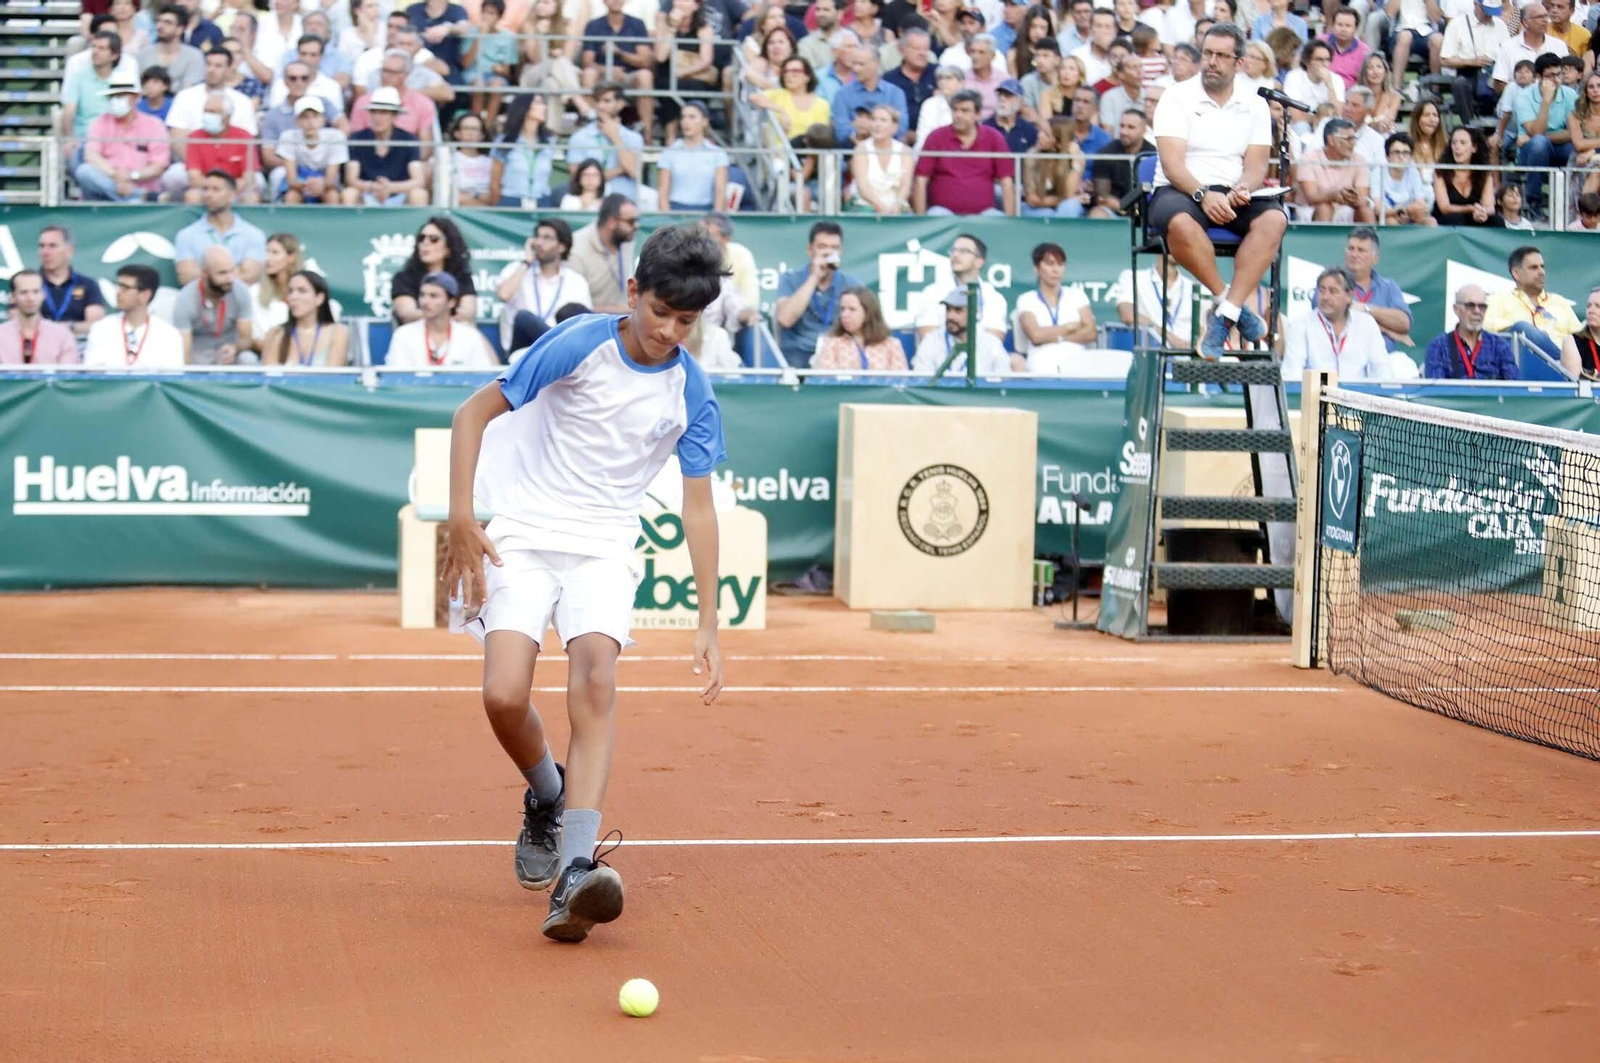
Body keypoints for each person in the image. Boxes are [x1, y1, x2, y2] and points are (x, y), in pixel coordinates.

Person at [438, 224, 728, 942]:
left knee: (596, 676)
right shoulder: (577, 343)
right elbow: (472, 413)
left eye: (686, 320)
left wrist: (709, 620)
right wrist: (461, 517)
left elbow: (698, 507)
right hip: (525, 530)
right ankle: (548, 792)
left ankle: (576, 868)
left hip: (604, 543)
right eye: (659, 312)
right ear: (632, 292)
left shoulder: (691, 388)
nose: (668, 332)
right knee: (504, 695)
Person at [1150, 23, 1287, 360]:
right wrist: (1203, 195)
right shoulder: (1176, 96)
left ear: (1239, 63)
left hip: (1232, 190)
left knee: (1275, 220)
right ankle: (1229, 305)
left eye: (1222, 56)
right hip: (1180, 188)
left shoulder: (1255, 102)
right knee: (1179, 223)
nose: (1212, 61)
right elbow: (1172, 165)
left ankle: (1225, 315)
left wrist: (1244, 187)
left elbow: (1256, 166)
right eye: (1208, 53)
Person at [774, 221, 863, 367]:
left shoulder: (852, 284)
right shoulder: (790, 279)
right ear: (810, 250)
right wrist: (814, 277)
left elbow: (864, 326)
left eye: (834, 248)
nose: (828, 253)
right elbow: (785, 319)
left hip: (838, 349)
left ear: (840, 251)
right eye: (822, 247)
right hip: (800, 349)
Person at [497, 218, 595, 349]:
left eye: (546, 238)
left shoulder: (576, 281)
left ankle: (552, 344)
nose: (539, 242)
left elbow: (583, 323)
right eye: (537, 237)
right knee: (524, 318)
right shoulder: (517, 269)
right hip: (522, 352)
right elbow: (504, 295)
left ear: (562, 246)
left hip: (557, 354)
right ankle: (552, 342)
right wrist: (527, 262)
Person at [914, 89, 1015, 214]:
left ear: (977, 114)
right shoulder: (936, 137)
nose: (958, 115)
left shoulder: (994, 138)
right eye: (955, 110)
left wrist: (1010, 221)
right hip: (942, 214)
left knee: (997, 219)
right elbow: (920, 180)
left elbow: (1006, 182)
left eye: (965, 111)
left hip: (985, 214)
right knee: (935, 214)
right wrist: (921, 219)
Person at [73, 75, 171, 203]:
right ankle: (140, 195)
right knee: (84, 171)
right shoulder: (100, 122)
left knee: (135, 203)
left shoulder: (154, 125)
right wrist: (115, 175)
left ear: (135, 97)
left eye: (120, 96)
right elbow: (91, 155)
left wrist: (131, 176)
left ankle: (133, 196)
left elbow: (159, 165)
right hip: (106, 183)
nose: (115, 101)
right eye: (112, 97)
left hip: (139, 182)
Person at [1281, 267, 1389, 379]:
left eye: (1333, 291)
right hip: (1317, 389)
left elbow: (1382, 370)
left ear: (1349, 296)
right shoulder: (1301, 324)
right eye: (1322, 290)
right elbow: (1291, 374)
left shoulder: (1366, 324)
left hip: (1356, 390)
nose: (1325, 297)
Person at [1483, 244, 1583, 363]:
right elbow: (1483, 325)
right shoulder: (1499, 299)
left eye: (1542, 267)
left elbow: (1581, 338)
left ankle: (1562, 365)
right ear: (1516, 273)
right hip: (1521, 366)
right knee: (1522, 328)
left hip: (1566, 370)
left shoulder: (1559, 302)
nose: (1541, 272)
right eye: (1534, 268)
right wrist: (1530, 332)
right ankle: (1559, 363)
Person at [174, 170, 266, 286]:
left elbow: (249, 277)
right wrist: (234, 271)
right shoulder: (186, 235)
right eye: (205, 189)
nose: (208, 194)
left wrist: (207, 273)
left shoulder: (253, 234)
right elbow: (187, 278)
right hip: (200, 297)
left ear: (232, 195)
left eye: (216, 189)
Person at [579, 0, 656, 138]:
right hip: (602, 77)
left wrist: (620, 53)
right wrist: (607, 70)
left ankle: (647, 135)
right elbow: (587, 62)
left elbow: (644, 61)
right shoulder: (593, 25)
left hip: (629, 75)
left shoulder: (637, 24)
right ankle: (592, 129)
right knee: (588, 74)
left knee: (645, 76)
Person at [1014, 242, 1096, 373]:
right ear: (1036, 268)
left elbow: (1091, 333)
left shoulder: (1077, 295)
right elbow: (1036, 336)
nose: (1056, 270)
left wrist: (1057, 337)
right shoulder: (1027, 299)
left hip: (1077, 363)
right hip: (1041, 364)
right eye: (1050, 264)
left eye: (1060, 264)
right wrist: (1069, 327)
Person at [341, 86, 430, 206]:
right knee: (349, 194)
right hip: (367, 194)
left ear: (394, 116)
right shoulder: (357, 138)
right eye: (374, 112)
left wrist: (391, 187)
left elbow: (418, 180)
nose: (377, 117)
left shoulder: (408, 139)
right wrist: (372, 187)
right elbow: (351, 179)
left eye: (383, 113)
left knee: (419, 195)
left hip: (399, 194)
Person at [386, 273, 498, 368]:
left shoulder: (469, 336)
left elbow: (482, 376)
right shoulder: (403, 334)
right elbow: (397, 379)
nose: (425, 301)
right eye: (422, 295)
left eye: (433, 296)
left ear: (451, 302)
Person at [1516, 52, 1579, 219]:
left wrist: (1540, 137)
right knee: (1539, 143)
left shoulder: (1570, 95)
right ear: (1538, 77)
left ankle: (1573, 206)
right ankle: (1534, 204)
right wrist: (1545, 101)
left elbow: (1574, 133)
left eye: (1559, 74)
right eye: (1550, 76)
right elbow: (1537, 132)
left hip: (1561, 148)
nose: (1557, 80)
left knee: (1576, 150)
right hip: (1530, 152)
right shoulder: (1524, 97)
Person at [84, 265, 185, 368]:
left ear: (145, 295)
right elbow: (92, 370)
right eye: (118, 286)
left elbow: (172, 374)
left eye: (125, 288)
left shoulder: (168, 335)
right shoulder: (102, 328)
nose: (118, 292)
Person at [913, 233, 1008, 341]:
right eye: (953, 250)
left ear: (979, 262)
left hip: (982, 352)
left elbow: (995, 341)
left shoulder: (994, 298)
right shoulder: (932, 293)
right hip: (941, 351)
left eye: (963, 251)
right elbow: (929, 339)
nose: (955, 255)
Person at [173, 246, 255, 366]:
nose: (230, 279)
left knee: (248, 359)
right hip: (198, 353)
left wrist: (235, 347)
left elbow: (246, 339)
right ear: (204, 273)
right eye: (222, 273)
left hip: (229, 351)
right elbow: (184, 348)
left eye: (232, 271)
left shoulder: (241, 290)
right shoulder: (185, 299)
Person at [567, 82, 646, 203]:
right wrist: (620, 170)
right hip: (590, 204)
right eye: (597, 101)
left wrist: (615, 138)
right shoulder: (579, 137)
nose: (600, 106)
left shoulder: (634, 138)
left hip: (625, 202)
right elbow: (577, 178)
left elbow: (635, 172)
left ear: (620, 104)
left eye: (606, 101)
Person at [392, 217, 478, 325]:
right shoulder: (404, 278)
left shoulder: (462, 277)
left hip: (454, 332)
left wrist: (437, 315)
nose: (425, 243)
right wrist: (443, 314)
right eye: (421, 238)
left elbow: (468, 312)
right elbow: (407, 314)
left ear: (448, 248)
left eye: (433, 239)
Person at [178, 91, 258, 203]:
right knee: (192, 196)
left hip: (234, 189)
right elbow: (194, 178)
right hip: (206, 189)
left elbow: (248, 178)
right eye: (205, 111)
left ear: (227, 116)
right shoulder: (195, 137)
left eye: (212, 112)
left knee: (251, 197)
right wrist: (215, 189)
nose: (207, 115)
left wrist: (224, 190)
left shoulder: (244, 137)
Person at [1423, 284, 1517, 378]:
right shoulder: (1439, 346)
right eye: (1470, 306)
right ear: (1456, 309)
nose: (1477, 311)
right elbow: (1436, 385)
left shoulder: (1499, 346)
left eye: (1482, 306)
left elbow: (1514, 384)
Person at [567, 194, 640, 315]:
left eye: (637, 220)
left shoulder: (626, 239)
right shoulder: (576, 248)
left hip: (622, 317)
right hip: (588, 321)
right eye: (631, 221)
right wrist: (620, 310)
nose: (636, 226)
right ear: (611, 222)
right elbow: (572, 309)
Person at [911, 288, 1013, 374]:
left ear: (974, 313)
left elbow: (1003, 382)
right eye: (948, 309)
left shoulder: (991, 344)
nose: (950, 316)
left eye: (958, 310)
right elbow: (921, 380)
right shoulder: (931, 341)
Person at [1342, 227, 1413, 350]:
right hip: (1343, 355)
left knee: (1404, 362)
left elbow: (1404, 323)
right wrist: (1388, 330)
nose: (1354, 254)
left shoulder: (1389, 286)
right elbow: (1334, 319)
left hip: (1384, 357)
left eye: (1361, 250)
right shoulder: (1332, 282)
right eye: (1351, 249)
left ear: (1375, 258)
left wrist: (1366, 308)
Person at [35, 226, 107, 345]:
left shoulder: (87, 284)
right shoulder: (29, 283)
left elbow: (96, 325)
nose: (45, 252)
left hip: (78, 347)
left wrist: (68, 327)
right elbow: (17, 322)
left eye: (52, 246)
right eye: (42, 246)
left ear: (69, 250)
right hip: (38, 346)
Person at [263, 270, 349, 367]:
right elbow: (269, 372)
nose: (294, 297)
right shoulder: (277, 333)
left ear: (319, 298)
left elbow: (334, 372)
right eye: (290, 291)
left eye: (302, 291)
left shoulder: (338, 332)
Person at [1296, 117, 1375, 222]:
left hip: (1346, 207)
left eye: (1354, 138)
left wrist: (1351, 197)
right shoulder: (1309, 159)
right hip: (1312, 208)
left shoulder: (1359, 160)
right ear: (1331, 140)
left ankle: (1372, 233)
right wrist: (1333, 195)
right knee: (1324, 207)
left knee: (1365, 210)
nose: (1354, 143)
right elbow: (1311, 197)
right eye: (1348, 139)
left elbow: (1362, 197)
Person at [1442, 0, 1509, 122]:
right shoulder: (1457, 24)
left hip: (1494, 74)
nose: (1489, 16)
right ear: (1476, 5)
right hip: (1468, 73)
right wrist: (1470, 61)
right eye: (1486, 11)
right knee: (1459, 84)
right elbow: (1445, 59)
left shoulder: (1500, 26)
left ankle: (1497, 122)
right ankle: (1469, 124)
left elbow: (1507, 55)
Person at [1112, 255, 1197, 351]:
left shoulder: (1194, 287)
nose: (1176, 249)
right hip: (1149, 355)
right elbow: (1127, 314)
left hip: (1186, 357)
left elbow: (1203, 330)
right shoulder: (1133, 277)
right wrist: (1171, 338)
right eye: (1173, 246)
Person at [812, 286, 908, 369]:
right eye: (842, 309)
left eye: (852, 309)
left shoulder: (891, 345)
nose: (844, 315)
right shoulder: (832, 343)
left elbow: (901, 380)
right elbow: (826, 380)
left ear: (868, 312)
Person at [656, 101, 729, 211]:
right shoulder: (670, 151)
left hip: (706, 211)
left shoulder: (717, 153)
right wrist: (667, 217)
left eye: (692, 117)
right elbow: (663, 191)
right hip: (676, 210)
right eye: (683, 117)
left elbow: (720, 191)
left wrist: (715, 217)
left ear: (705, 121)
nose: (686, 122)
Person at [490, 93, 558, 207]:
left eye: (543, 103)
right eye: (538, 103)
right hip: (512, 202)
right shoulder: (505, 141)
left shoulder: (549, 141)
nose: (544, 107)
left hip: (542, 202)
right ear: (524, 107)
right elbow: (495, 183)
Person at [0, 271, 80, 365]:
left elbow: (69, 372)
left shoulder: (62, 335)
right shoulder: (2, 334)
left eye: (36, 292)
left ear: (43, 294)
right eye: (23, 292)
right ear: (13, 296)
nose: (30, 298)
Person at [850, 102, 915, 212]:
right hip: (867, 204)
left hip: (896, 205)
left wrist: (897, 204)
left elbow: (905, 185)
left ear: (894, 127)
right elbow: (863, 186)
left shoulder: (905, 151)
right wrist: (880, 206)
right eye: (874, 119)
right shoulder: (861, 149)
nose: (877, 124)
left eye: (883, 120)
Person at [1432, 125, 1499, 224]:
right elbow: (1444, 208)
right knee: (1456, 219)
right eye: (1454, 142)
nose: (1457, 147)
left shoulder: (1484, 173)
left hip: (1474, 216)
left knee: (1497, 221)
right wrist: (1470, 208)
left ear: (1474, 148)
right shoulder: (1441, 171)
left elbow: (1489, 207)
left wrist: (1483, 212)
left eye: (1462, 143)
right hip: (1448, 218)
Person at [250, 233, 302, 345]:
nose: (268, 258)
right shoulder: (255, 292)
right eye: (266, 252)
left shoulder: (307, 292)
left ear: (291, 257)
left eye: (275, 253)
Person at [139, 5, 205, 92]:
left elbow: (191, 90)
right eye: (159, 21)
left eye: (167, 23)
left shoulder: (194, 56)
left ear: (180, 29)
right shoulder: (142, 55)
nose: (160, 26)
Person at [1322, 6, 1371, 88]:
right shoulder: (1321, 42)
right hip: (1322, 87)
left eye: (1348, 26)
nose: (1343, 29)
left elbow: (1365, 80)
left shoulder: (1364, 51)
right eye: (1340, 25)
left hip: (1351, 92)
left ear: (1355, 29)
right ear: (1333, 26)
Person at [1559, 286, 1600, 379]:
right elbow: (1575, 382)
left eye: (1598, 306)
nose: (1591, 311)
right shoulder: (1572, 341)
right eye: (1588, 306)